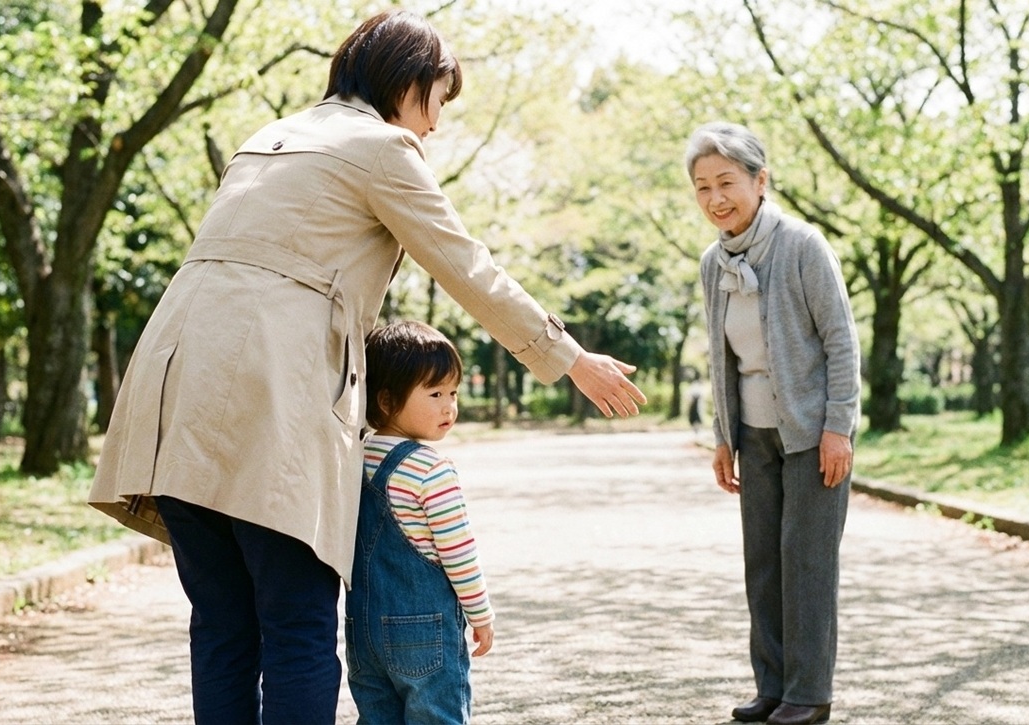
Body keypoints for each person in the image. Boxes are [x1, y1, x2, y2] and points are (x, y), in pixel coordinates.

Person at [88, 10, 646, 724]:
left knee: (222, 624)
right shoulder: (380, 147)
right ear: (407, 80)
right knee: (297, 621)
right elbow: (466, 266)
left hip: (171, 386)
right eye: (437, 100)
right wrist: (569, 358)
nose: (435, 126)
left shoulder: (268, 137)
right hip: (270, 397)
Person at [687, 122, 860, 725]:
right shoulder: (715, 261)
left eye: (727, 183)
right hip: (753, 433)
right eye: (703, 187)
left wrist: (839, 427)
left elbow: (841, 342)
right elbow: (721, 354)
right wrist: (722, 437)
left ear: (761, 181)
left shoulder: (803, 245)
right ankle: (774, 687)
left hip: (813, 434)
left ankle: (809, 694)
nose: (716, 199)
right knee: (762, 564)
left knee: (806, 563)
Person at [348, 320, 491, 724]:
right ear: (388, 400)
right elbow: (459, 554)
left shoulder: (353, 458)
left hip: (362, 628)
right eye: (435, 393)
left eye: (453, 392)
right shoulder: (431, 468)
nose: (449, 406)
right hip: (424, 633)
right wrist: (480, 615)